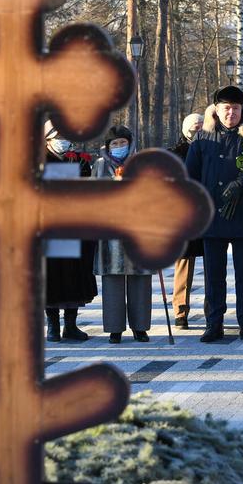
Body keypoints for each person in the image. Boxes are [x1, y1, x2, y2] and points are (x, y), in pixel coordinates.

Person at [185, 85, 243, 343]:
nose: (231, 114)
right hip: (213, 215)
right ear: (216, 110)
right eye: (226, 108)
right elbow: (190, 175)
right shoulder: (203, 139)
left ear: (242, 110)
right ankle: (214, 323)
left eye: (235, 109)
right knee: (214, 275)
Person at [93, 125, 153, 343]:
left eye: (123, 143)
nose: (119, 147)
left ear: (130, 143)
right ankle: (114, 327)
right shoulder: (99, 166)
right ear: (108, 147)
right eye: (114, 144)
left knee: (139, 279)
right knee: (113, 280)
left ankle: (140, 327)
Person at [41, 121, 97, 343]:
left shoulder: (81, 161)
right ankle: (52, 325)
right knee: (52, 277)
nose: (63, 141)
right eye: (59, 136)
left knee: (75, 276)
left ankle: (71, 324)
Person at [168, 113, 205, 329]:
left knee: (212, 263)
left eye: (201, 125)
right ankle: (180, 310)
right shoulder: (175, 153)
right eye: (193, 126)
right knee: (183, 263)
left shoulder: (211, 148)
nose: (197, 129)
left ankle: (213, 309)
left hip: (207, 212)